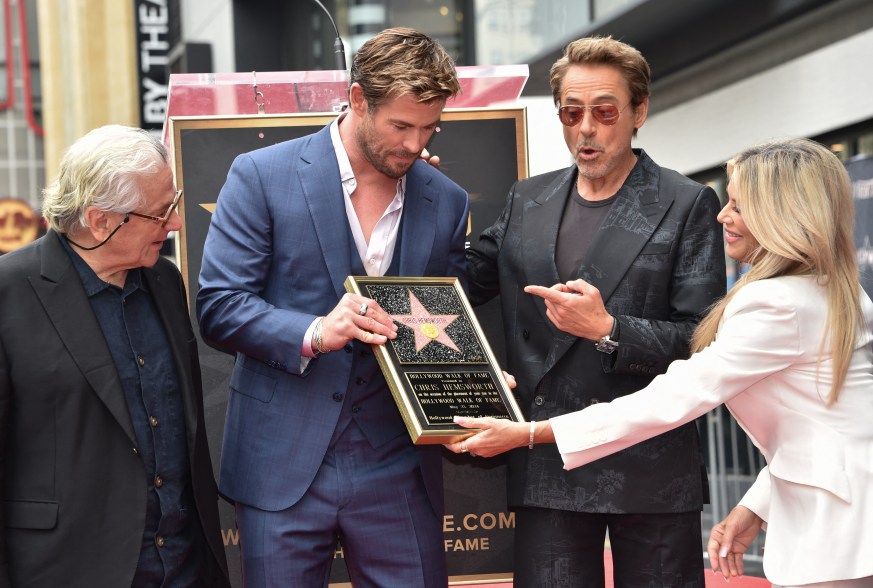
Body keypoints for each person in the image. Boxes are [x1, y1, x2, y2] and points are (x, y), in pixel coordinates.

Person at [452, 138, 873, 587]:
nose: (722, 216)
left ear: (783, 216)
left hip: (840, 531)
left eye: (738, 206)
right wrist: (756, 505)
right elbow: (831, 429)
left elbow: (673, 398)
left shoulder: (776, 303)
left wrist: (532, 433)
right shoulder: (823, 290)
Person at [196, 27, 468, 587]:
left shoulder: (447, 200)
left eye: (430, 127)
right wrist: (316, 331)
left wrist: (472, 372)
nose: (416, 145)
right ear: (360, 100)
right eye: (401, 126)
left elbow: (443, 316)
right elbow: (220, 307)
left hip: (398, 464)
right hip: (282, 461)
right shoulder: (261, 175)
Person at [463, 35, 726, 586]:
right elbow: (461, 285)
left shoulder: (685, 203)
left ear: (639, 113)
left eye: (605, 112)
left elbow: (703, 344)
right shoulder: (525, 199)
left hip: (650, 461)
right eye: (571, 111)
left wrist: (610, 330)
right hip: (548, 457)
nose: (586, 128)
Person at [0, 125, 230, 587]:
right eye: (161, 212)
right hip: (67, 568)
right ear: (101, 220)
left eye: (175, 202)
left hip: (184, 566)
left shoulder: (164, 281)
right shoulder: (10, 292)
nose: (176, 224)